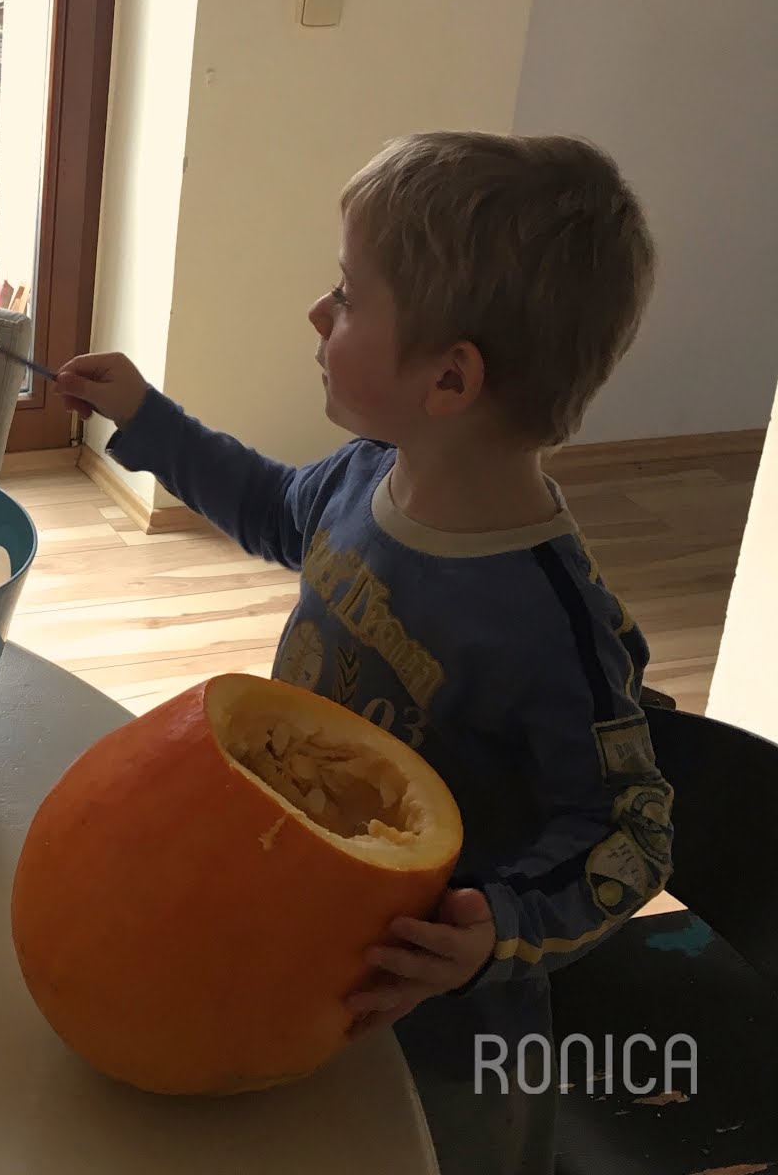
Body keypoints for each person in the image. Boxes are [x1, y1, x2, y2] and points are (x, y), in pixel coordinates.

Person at [56, 131, 674, 1174]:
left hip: (443, 1012)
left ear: (450, 378)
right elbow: (271, 507)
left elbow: (631, 830)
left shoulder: (548, 621)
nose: (317, 311)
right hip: (306, 924)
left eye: (346, 296)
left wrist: (493, 930)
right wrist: (147, 419)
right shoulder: (366, 476)